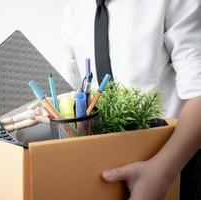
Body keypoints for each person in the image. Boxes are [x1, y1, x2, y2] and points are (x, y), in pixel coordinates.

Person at [60, 0, 201, 199]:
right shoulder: (74, 9)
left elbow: (198, 91)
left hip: (175, 163)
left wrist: (162, 172)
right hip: (104, 166)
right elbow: (72, 92)